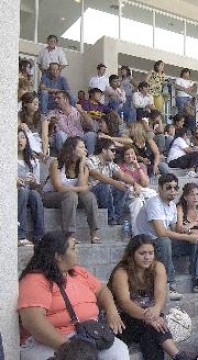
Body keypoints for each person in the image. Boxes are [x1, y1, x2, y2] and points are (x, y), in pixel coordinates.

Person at [18, 231, 129, 359]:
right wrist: (68, 347)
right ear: (58, 255)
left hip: (88, 333)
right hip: (51, 341)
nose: (77, 252)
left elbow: (102, 290)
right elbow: (33, 322)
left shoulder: (78, 271)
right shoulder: (35, 280)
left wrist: (112, 311)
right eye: (73, 248)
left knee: (119, 353)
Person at [134, 174, 198, 299]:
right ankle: (168, 286)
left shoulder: (172, 206)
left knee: (195, 240)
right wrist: (188, 237)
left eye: (175, 188)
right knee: (164, 241)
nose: (173, 191)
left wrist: (192, 234)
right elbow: (161, 232)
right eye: (168, 187)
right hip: (145, 244)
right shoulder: (154, 203)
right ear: (160, 189)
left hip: (161, 245)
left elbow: (175, 229)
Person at [109, 235, 188, 360]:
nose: (147, 257)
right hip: (123, 321)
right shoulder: (122, 272)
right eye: (142, 253)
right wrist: (147, 317)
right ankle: (178, 355)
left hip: (149, 318)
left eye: (151, 253)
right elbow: (124, 303)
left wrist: (156, 310)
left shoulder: (157, 267)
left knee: (151, 332)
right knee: (152, 326)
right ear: (132, 254)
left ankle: (178, 356)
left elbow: (161, 292)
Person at [42, 136, 100, 243]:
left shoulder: (84, 166)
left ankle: (93, 232)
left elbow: (84, 189)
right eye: (82, 147)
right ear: (72, 149)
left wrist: (82, 165)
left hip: (71, 197)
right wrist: (77, 189)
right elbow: (58, 187)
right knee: (71, 195)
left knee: (89, 196)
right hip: (50, 195)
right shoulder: (56, 163)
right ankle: (70, 234)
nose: (85, 150)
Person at [87, 138, 135, 227]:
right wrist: (115, 183)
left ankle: (116, 217)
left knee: (123, 187)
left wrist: (135, 184)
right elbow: (96, 175)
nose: (114, 153)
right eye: (112, 150)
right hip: (91, 193)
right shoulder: (91, 159)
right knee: (104, 185)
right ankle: (111, 218)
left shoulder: (110, 163)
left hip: (106, 194)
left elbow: (122, 175)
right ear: (104, 150)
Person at [118, 145, 158, 233]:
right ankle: (139, 231)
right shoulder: (120, 168)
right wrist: (137, 187)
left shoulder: (141, 166)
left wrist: (137, 166)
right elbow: (126, 184)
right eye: (127, 154)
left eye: (132, 153)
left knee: (143, 198)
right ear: (123, 157)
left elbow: (145, 183)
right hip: (127, 194)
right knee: (148, 195)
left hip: (141, 193)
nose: (130, 156)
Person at [44, 90, 97, 154]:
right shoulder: (53, 113)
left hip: (79, 138)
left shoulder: (77, 111)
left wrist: (82, 111)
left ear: (66, 100)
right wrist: (52, 123)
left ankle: (91, 160)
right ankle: (63, 159)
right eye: (55, 98)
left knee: (91, 135)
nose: (55, 100)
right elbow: (48, 132)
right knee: (60, 134)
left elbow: (91, 126)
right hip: (66, 140)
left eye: (58, 98)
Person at [17, 128, 44, 246]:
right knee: (23, 191)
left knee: (35, 195)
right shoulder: (7, 160)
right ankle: (20, 235)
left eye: (22, 137)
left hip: (28, 191)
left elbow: (37, 185)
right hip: (15, 192)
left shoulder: (32, 161)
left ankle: (39, 236)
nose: (19, 140)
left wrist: (34, 182)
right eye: (16, 137)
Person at [19, 91, 49, 156]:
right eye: (33, 102)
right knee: (23, 126)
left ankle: (38, 154)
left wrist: (44, 153)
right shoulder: (19, 116)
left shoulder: (42, 118)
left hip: (38, 145)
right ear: (25, 104)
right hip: (24, 145)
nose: (36, 104)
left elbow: (44, 137)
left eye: (37, 102)